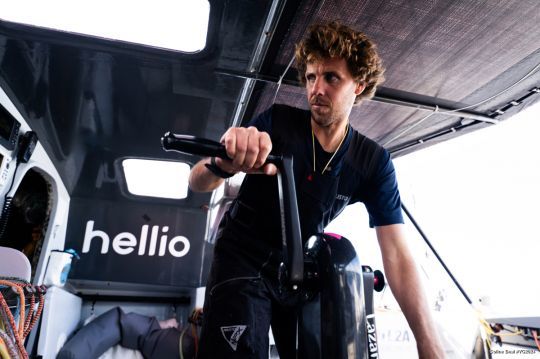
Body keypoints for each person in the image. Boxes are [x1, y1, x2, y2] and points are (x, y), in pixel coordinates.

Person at [189, 21, 444, 358]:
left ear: (359, 85)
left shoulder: (373, 162)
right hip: (242, 258)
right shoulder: (276, 122)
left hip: (298, 270)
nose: (316, 89)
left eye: (331, 78)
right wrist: (226, 163)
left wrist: (428, 344)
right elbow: (197, 181)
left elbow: (396, 254)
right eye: (311, 77)